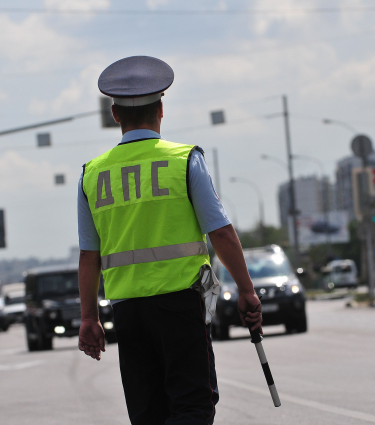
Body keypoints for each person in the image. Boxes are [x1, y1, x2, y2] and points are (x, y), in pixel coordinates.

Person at [76, 55, 263, 425]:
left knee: (147, 412)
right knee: (193, 404)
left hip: (127, 310)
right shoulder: (185, 160)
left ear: (115, 115)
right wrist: (246, 290)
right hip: (181, 304)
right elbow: (221, 232)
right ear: (161, 109)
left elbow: (88, 256)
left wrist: (88, 317)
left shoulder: (92, 174)